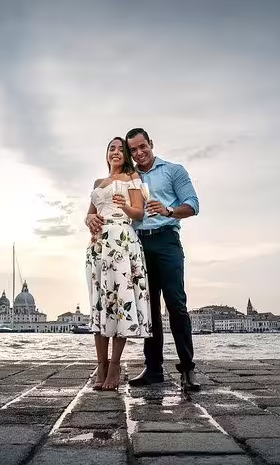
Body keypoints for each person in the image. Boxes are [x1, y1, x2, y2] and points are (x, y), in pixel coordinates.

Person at [86, 128, 201, 391]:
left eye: (142, 147)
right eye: (133, 150)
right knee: (148, 308)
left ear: (151, 143)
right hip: (136, 245)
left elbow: (193, 204)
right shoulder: (130, 175)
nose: (139, 152)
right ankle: (153, 369)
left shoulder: (173, 171)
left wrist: (169, 210)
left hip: (166, 241)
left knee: (176, 304)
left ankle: (187, 369)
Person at [85, 137, 152, 391]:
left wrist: (125, 206)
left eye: (120, 149)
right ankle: (100, 368)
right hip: (98, 247)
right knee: (100, 305)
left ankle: (114, 367)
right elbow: (90, 213)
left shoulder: (132, 177)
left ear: (126, 155)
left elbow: (139, 212)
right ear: (106, 154)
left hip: (122, 243)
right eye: (111, 148)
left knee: (119, 304)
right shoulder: (97, 183)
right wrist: (88, 219)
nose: (115, 152)